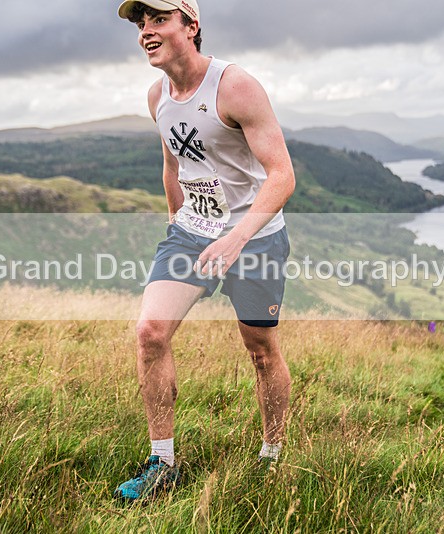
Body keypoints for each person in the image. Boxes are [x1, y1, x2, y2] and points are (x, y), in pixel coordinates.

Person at [114, 0, 296, 502]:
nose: (145, 32)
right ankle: (163, 464)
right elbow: (173, 166)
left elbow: (282, 176)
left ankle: (272, 456)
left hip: (254, 237)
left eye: (157, 19)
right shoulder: (158, 96)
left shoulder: (235, 86)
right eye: (139, 23)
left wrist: (236, 238)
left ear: (191, 26)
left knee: (260, 352)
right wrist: (179, 225)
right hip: (192, 233)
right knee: (150, 332)